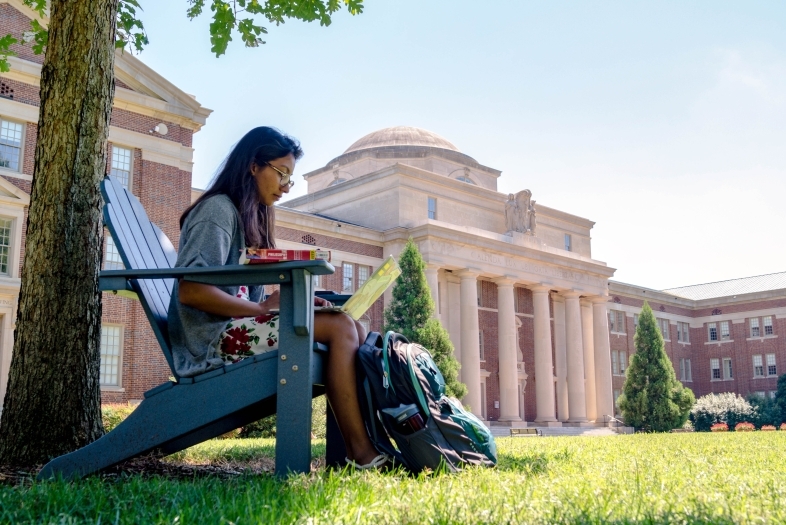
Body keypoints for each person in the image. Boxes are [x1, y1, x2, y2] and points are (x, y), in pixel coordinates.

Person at [168, 127, 388, 470]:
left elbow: (242, 289)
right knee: (343, 329)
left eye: (291, 177)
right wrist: (261, 308)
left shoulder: (249, 215)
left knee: (354, 328)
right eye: (282, 173)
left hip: (233, 331)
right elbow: (191, 289)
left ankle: (366, 445)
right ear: (253, 166)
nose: (286, 185)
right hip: (210, 343)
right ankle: (361, 454)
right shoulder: (217, 211)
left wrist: (284, 301)